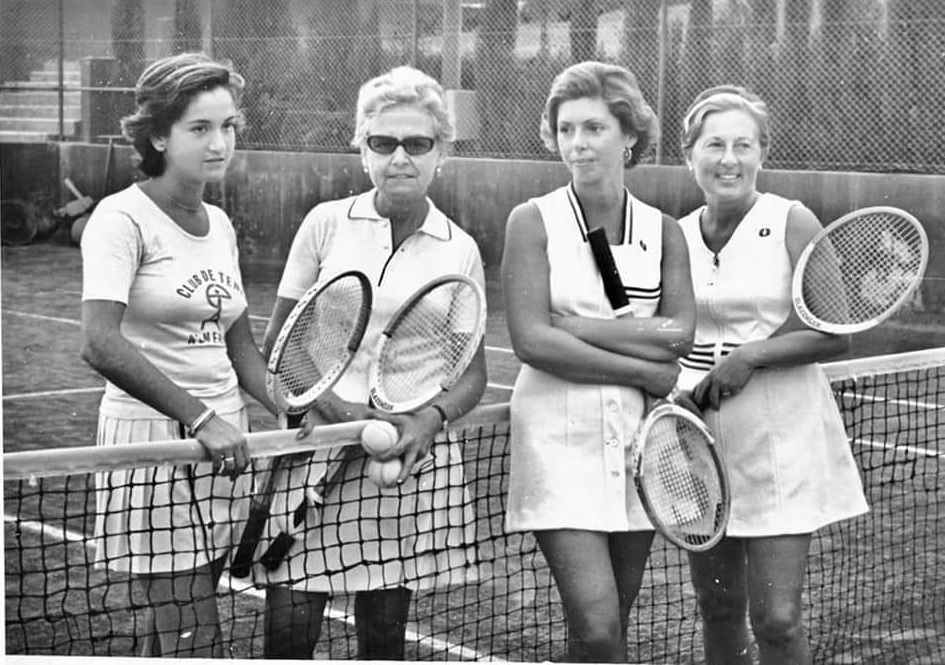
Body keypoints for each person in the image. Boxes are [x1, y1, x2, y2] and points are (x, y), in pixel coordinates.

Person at [259, 65, 488, 660]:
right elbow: (281, 342)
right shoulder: (325, 224)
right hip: (315, 444)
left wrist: (427, 422)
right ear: (362, 150)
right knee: (289, 631)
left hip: (403, 459)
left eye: (418, 144)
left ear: (442, 153)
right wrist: (341, 413)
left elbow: (472, 373)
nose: (400, 158)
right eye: (382, 143)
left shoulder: (460, 248)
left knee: (384, 636)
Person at [79, 53, 279, 657]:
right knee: (196, 638)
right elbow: (99, 342)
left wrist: (290, 404)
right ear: (159, 136)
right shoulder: (120, 218)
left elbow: (239, 345)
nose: (220, 143)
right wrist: (200, 417)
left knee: (171, 636)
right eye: (200, 128)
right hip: (156, 443)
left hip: (226, 444)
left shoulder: (219, 223)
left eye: (228, 126)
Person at [501, 61, 695, 663]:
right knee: (598, 626)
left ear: (629, 134)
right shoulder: (531, 221)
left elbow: (678, 335)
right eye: (566, 130)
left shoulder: (665, 231)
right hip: (556, 440)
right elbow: (532, 343)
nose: (577, 144)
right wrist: (643, 369)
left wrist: (572, 327)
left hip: (640, 443)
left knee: (607, 630)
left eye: (594, 128)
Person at [675, 85, 869, 664]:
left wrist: (751, 356)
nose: (728, 159)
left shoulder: (791, 220)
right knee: (718, 606)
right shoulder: (674, 235)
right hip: (700, 441)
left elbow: (836, 331)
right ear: (690, 154)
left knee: (777, 619)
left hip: (782, 439)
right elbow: (667, 333)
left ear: (762, 152)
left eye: (743, 145)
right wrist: (672, 392)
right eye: (714, 144)